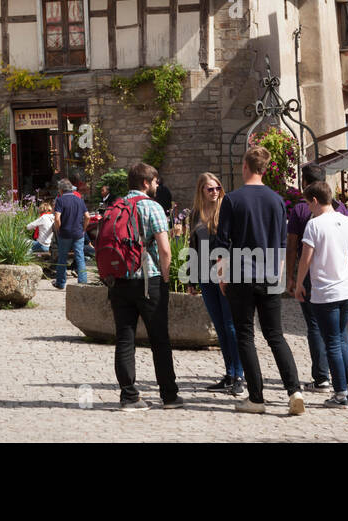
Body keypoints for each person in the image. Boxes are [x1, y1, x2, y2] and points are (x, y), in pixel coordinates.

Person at [217, 146, 304, 415]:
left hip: (241, 275)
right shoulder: (277, 201)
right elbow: (280, 244)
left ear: (245, 166)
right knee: (275, 335)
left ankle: (256, 398)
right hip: (270, 274)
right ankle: (294, 391)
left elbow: (222, 243)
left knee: (245, 335)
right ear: (264, 169)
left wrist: (221, 275)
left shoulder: (232, 199)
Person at [105, 163, 183, 410]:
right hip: (149, 280)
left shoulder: (115, 206)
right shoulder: (152, 207)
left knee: (124, 338)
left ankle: (129, 396)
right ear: (146, 183)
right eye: (156, 182)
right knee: (159, 339)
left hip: (119, 280)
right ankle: (169, 396)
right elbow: (165, 249)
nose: (158, 186)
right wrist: (166, 276)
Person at [293, 180, 348, 408]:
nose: (308, 208)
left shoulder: (314, 224)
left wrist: (299, 282)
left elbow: (306, 257)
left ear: (314, 200)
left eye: (308, 203)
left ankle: (340, 393)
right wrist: (345, 271)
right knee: (342, 338)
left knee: (331, 341)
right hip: (346, 287)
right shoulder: (347, 220)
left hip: (326, 290)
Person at [286, 163, 348, 391]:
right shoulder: (340, 208)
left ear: (304, 183)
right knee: (339, 332)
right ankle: (346, 379)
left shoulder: (301, 210)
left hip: (313, 276)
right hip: (340, 277)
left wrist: (292, 278)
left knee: (314, 326)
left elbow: (293, 247)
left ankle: (322, 377)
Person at [187, 172, 244, 395]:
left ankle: (239, 374)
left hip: (226, 275)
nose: (214, 192)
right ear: (201, 191)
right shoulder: (196, 214)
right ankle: (229, 373)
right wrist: (191, 278)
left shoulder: (227, 211)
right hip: (204, 275)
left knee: (231, 326)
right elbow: (193, 247)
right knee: (219, 326)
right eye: (209, 189)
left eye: (217, 188)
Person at [52, 178, 89, 289]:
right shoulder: (79, 200)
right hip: (78, 233)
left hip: (65, 233)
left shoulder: (60, 200)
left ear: (61, 190)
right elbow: (87, 216)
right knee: (80, 257)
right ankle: (82, 283)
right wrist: (83, 229)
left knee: (62, 258)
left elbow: (57, 218)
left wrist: (58, 229)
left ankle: (61, 283)